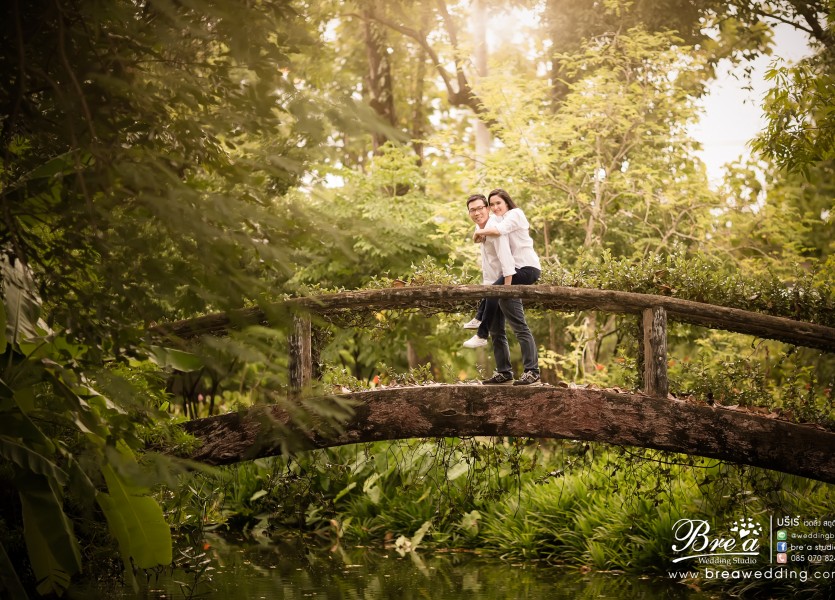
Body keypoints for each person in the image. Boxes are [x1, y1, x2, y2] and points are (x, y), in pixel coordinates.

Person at [465, 188, 542, 386]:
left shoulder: (508, 219)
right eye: (472, 210)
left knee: (518, 325)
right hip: (502, 278)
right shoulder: (490, 226)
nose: (478, 212)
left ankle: (532, 371)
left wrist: (505, 289)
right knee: (497, 330)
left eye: (483, 207)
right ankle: (504, 372)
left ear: (506, 203)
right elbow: (490, 265)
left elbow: (506, 258)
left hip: (517, 273)